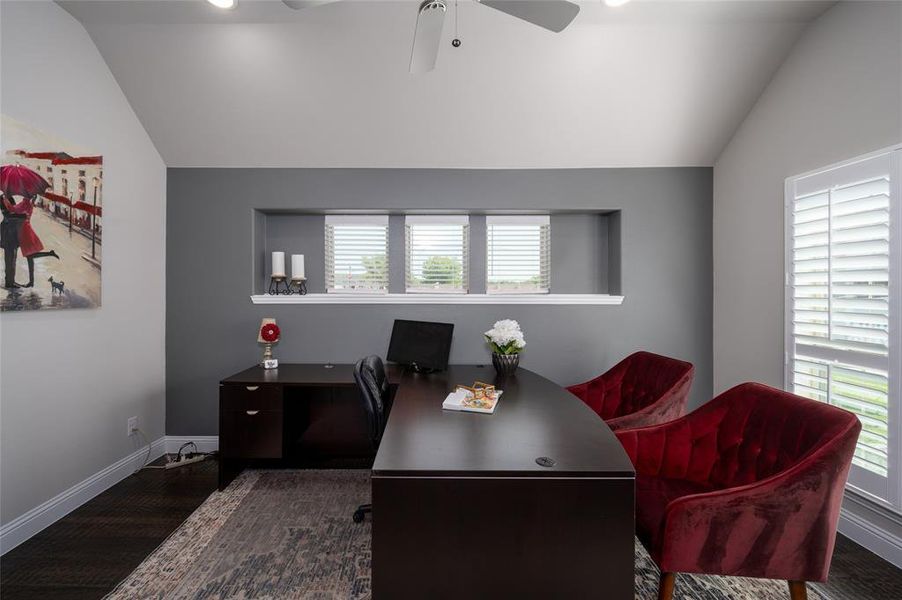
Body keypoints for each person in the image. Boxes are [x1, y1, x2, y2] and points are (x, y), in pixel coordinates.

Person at [0, 193, 59, 287]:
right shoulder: (28, 203)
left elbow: (13, 210)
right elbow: (12, 212)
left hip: (23, 232)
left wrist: (6, 201)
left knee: (28, 256)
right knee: (27, 256)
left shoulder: (24, 203)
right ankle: (22, 282)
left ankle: (28, 282)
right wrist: (5, 201)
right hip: (19, 231)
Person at [0, 191, 24, 288]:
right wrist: (22, 216)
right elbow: (8, 214)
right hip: (8, 231)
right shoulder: (2, 199)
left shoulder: (7, 198)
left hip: (12, 231)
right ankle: (9, 282)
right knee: (10, 258)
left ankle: (10, 281)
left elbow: (13, 211)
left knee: (12, 258)